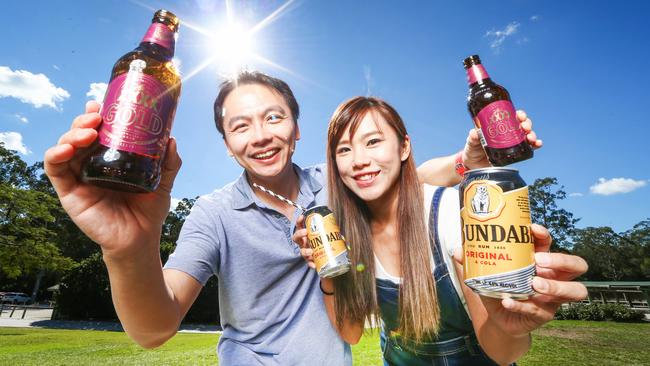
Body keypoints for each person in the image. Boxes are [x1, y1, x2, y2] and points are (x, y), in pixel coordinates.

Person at [44, 71, 540, 365]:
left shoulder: (335, 184)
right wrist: (127, 248)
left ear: (297, 129)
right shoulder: (214, 213)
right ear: (227, 144)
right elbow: (154, 329)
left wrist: (465, 162)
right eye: (240, 126)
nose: (259, 135)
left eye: (273, 117)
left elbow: (403, 174)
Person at [294, 96, 588, 365]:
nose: (358, 160)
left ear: (404, 147)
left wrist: (510, 327)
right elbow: (351, 333)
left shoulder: (448, 213)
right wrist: (328, 271)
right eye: (344, 149)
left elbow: (504, 352)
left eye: (372, 142)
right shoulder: (347, 234)